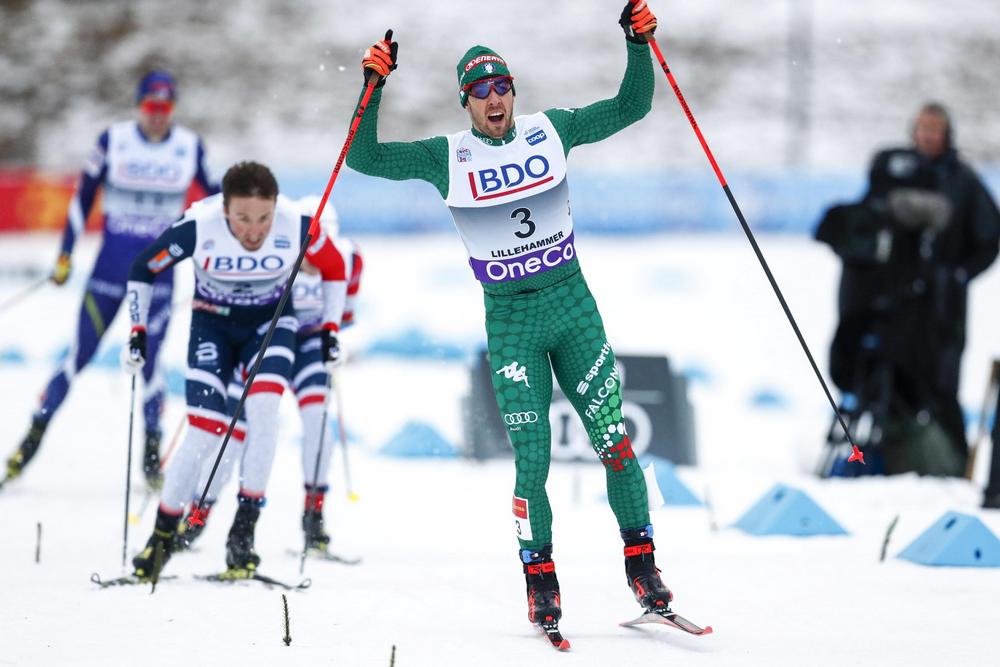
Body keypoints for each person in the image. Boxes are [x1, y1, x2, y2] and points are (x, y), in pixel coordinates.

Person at [346, 2, 667, 631]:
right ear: (464, 103)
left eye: (501, 87)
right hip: (513, 323)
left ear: (513, 91)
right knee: (534, 460)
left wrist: (637, 42)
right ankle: (540, 580)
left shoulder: (553, 130)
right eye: (478, 92)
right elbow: (364, 157)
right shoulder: (448, 157)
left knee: (614, 443)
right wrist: (371, 88)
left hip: (574, 309)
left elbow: (631, 107)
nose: (493, 99)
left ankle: (643, 565)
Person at [123, 162, 347, 579]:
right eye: (242, 218)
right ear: (225, 209)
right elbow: (143, 268)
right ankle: (161, 537)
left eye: (263, 217)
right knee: (205, 431)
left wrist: (332, 328)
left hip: (271, 323)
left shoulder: (298, 225)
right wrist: (137, 330)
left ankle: (243, 535)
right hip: (213, 325)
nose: (254, 230)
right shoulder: (198, 226)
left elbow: (335, 269)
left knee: (264, 416)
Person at [4, 70, 218, 489]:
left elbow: (215, 202)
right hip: (109, 271)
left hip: (158, 276)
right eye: (151, 107)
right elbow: (82, 199)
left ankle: (151, 461)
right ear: (139, 105)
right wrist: (65, 253)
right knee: (77, 358)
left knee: (152, 367)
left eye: (165, 108)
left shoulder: (189, 147)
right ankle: (27, 445)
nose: (158, 116)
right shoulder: (113, 141)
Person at [172, 197, 364, 555]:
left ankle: (313, 519)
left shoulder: (349, 258)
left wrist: (333, 339)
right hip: (267, 344)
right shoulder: (274, 248)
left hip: (307, 347)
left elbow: (346, 312)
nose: (310, 266)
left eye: (315, 260)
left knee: (318, 422)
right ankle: (197, 515)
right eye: (303, 257)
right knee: (234, 436)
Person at [818, 102, 1000, 476]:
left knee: (941, 381)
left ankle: (947, 460)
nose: (928, 136)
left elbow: (989, 237)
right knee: (883, 372)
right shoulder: (894, 173)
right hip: (893, 302)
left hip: (941, 304)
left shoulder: (963, 181)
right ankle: (881, 453)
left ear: (947, 134)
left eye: (935, 129)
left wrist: (958, 275)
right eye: (922, 128)